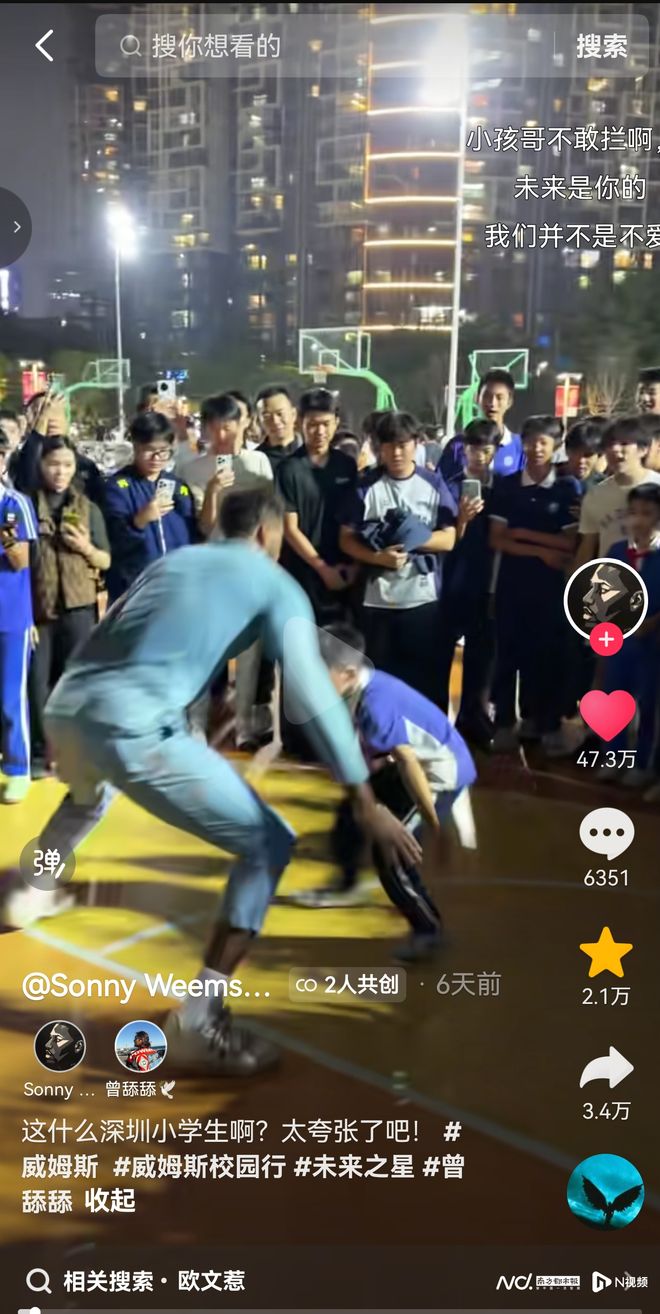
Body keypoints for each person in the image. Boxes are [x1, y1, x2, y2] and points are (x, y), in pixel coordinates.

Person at [2, 486, 420, 1077]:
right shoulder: (275, 583)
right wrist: (365, 797)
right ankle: (199, 1020)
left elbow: (122, 632)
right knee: (268, 842)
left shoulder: (173, 562)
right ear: (269, 534)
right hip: (131, 725)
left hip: (68, 709)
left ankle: (33, 889)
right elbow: (315, 696)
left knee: (87, 796)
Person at [299, 623, 476, 959]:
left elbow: (410, 764)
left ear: (348, 674)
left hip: (439, 774)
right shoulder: (358, 685)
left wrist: (434, 825)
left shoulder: (375, 707)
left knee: (390, 851)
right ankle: (346, 883)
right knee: (354, 807)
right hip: (410, 762)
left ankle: (428, 930)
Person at [339, 410, 456, 705]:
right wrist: (379, 558)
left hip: (422, 601)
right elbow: (346, 539)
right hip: (377, 603)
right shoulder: (366, 486)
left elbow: (449, 538)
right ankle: (379, 733)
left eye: (403, 444)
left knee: (424, 684)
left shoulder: (433, 484)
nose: (396, 452)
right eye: (389, 445)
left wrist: (410, 537)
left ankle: (425, 732)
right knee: (378, 683)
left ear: (416, 443)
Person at [489, 416, 581, 756]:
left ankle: (542, 722)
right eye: (530, 441)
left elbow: (570, 543)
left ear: (556, 445)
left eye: (543, 442)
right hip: (511, 585)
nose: (536, 448)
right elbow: (497, 539)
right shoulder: (507, 486)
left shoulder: (568, 488)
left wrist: (523, 534)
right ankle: (503, 723)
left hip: (551, 588)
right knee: (506, 655)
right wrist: (542, 550)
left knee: (545, 655)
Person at [28, 436, 111, 777]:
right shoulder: (26, 506)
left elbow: (105, 560)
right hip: (38, 610)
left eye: (67, 465)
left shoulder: (88, 508)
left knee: (74, 680)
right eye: (53, 464)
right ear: (40, 465)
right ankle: (40, 750)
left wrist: (86, 548)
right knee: (37, 683)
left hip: (79, 608)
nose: (60, 472)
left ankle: (75, 747)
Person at [438, 419, 499, 745]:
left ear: (495, 452)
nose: (479, 457)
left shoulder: (501, 488)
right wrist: (462, 519)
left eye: (486, 450)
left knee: (481, 656)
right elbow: (445, 537)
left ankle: (472, 717)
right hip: (452, 580)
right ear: (464, 451)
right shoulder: (447, 486)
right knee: (441, 652)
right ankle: (436, 719)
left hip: (487, 582)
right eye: (474, 449)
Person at [276, 387, 358, 624]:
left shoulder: (347, 465)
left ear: (336, 423)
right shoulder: (288, 469)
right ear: (300, 423)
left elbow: (354, 519)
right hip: (303, 570)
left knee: (341, 639)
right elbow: (290, 528)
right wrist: (322, 569)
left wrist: (354, 566)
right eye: (312, 424)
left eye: (326, 424)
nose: (320, 431)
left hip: (343, 569)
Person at [599, 485, 660, 787]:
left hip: (653, 643)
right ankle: (614, 757)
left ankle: (644, 763)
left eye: (647, 513)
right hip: (619, 641)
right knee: (615, 698)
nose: (639, 520)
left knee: (649, 704)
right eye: (633, 512)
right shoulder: (617, 551)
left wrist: (654, 621)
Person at [104, 412, 196, 603]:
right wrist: (140, 520)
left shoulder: (178, 486)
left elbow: (192, 533)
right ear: (135, 446)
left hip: (176, 584)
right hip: (134, 586)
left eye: (164, 451)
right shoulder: (118, 487)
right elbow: (112, 539)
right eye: (149, 450)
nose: (157, 457)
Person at [0, 432, 38, 802]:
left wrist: (5, 536)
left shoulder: (15, 504)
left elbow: (20, 560)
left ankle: (17, 769)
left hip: (10, 617)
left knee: (10, 696)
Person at [179, 393, 272, 539]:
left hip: (253, 546)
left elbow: (270, 515)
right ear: (204, 429)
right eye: (213, 429)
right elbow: (204, 528)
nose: (221, 436)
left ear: (239, 424)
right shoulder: (190, 470)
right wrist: (212, 491)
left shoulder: (258, 460)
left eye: (226, 428)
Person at [576, 417, 660, 566]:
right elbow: (587, 547)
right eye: (609, 445)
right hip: (613, 577)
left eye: (624, 443)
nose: (615, 449)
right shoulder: (595, 495)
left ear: (643, 449)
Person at [10, 391, 106, 508]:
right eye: (42, 411)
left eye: (56, 412)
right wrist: (39, 431)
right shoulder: (14, 461)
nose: (50, 418)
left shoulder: (85, 466)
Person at [440, 369, 524, 482]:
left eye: (499, 397)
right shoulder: (457, 445)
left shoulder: (520, 447)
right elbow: (440, 484)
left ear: (509, 402)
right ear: (477, 398)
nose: (492, 403)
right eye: (487, 396)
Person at [255, 384, 300, 473]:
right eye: (267, 416)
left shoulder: (313, 452)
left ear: (293, 414)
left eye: (280, 414)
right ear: (259, 420)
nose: (275, 421)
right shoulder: (255, 460)